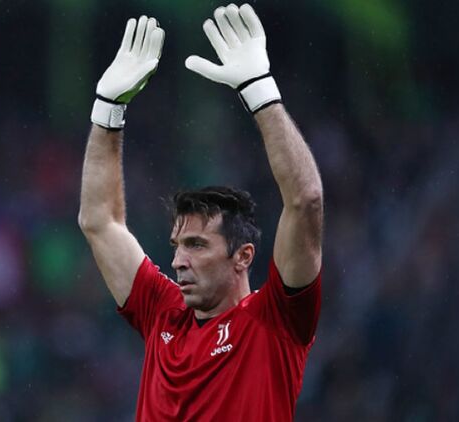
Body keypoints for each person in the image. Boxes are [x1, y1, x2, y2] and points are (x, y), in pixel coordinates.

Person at [79, 3, 323, 421]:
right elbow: (99, 222)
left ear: (242, 256)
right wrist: (107, 108)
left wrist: (260, 91)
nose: (178, 260)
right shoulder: (162, 312)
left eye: (196, 245)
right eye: (177, 245)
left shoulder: (276, 321)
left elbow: (306, 201)